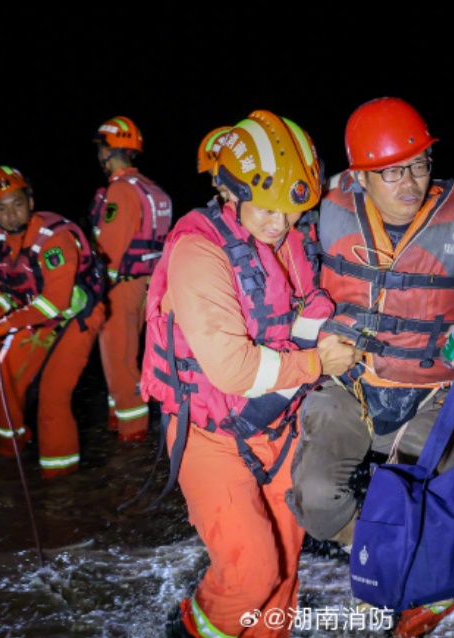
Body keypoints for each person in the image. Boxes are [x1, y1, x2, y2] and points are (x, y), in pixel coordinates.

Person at [285, 96, 454, 637]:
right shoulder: (324, 209)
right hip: (351, 386)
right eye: (393, 171)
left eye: (420, 164)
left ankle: (421, 582)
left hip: (431, 394)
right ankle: (371, 548)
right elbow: (264, 241)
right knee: (312, 497)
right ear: (360, 176)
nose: (411, 182)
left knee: (437, 503)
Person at [141, 110, 362, 638]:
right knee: (252, 573)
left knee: (283, 577)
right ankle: (189, 630)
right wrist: (318, 362)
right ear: (231, 193)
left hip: (279, 430)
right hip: (210, 437)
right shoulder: (199, 251)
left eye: (291, 210)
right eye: (268, 208)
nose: (280, 223)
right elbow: (232, 367)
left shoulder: (286, 238)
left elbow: (310, 306)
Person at [0, 166, 106, 479]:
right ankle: (11, 451)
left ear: (30, 200)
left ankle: (60, 479)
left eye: (16, 203)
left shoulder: (55, 238)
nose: (11, 214)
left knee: (53, 395)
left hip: (76, 317)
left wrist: (5, 326)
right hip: (35, 316)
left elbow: (56, 302)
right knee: (1, 378)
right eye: (0, 208)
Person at [88, 116, 173, 442]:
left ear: (109, 150)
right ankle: (117, 418)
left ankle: (131, 436)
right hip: (146, 284)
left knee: (120, 362)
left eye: (101, 149)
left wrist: (95, 291)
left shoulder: (120, 191)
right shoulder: (153, 189)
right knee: (127, 357)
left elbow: (110, 248)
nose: (99, 156)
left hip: (120, 287)